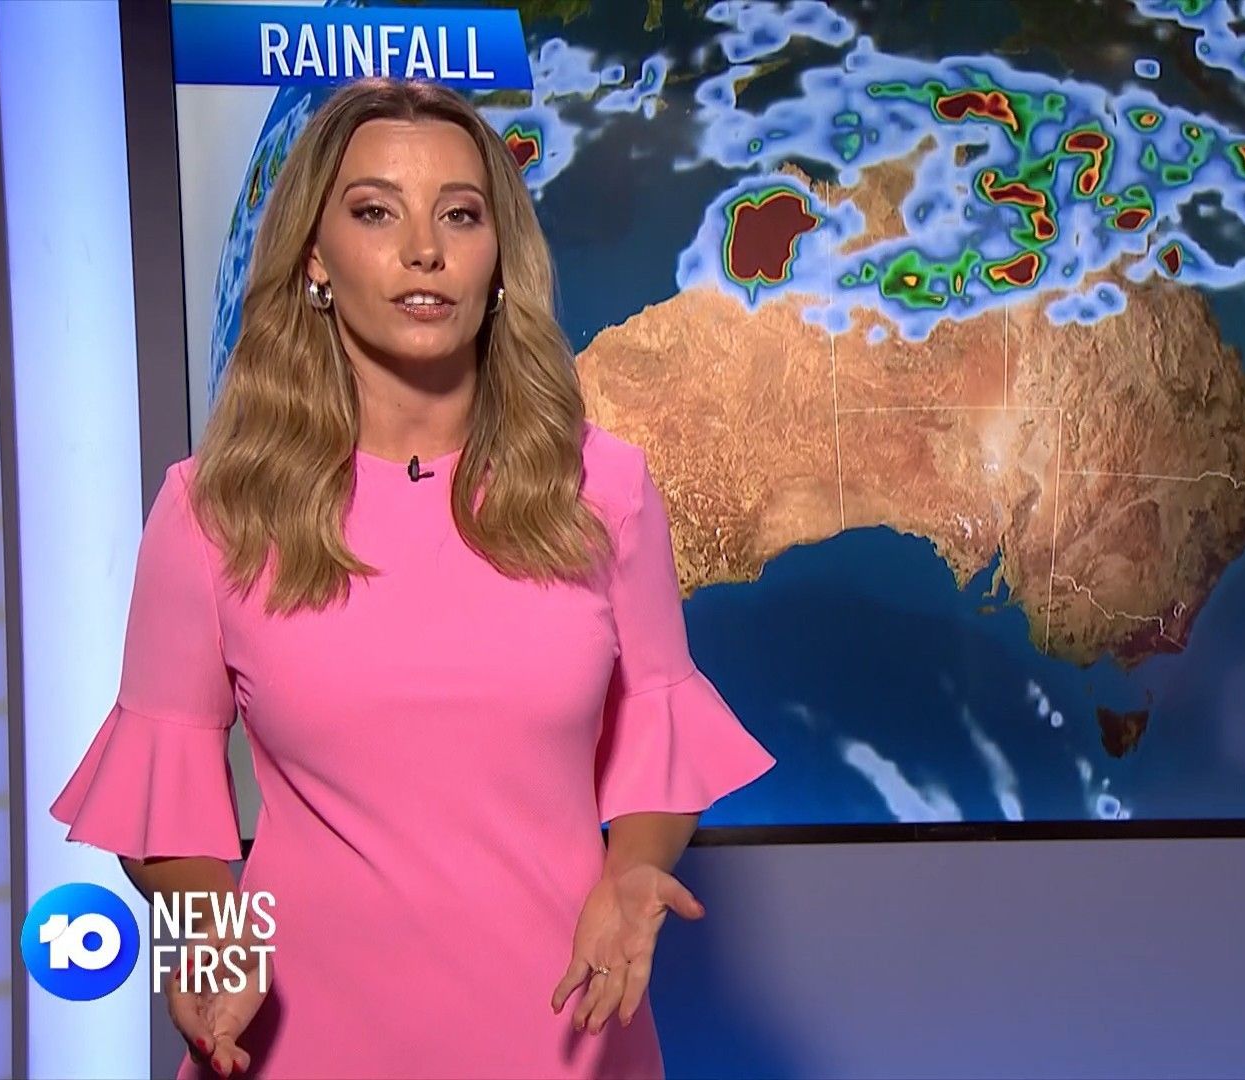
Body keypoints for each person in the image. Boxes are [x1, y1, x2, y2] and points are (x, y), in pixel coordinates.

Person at [48, 77, 776, 1079]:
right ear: (315, 257)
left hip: (565, 1031)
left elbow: (661, 738)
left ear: (498, 259)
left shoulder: (603, 490)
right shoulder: (214, 510)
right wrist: (213, 930)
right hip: (300, 1044)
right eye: (376, 212)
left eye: (461, 215)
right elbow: (159, 799)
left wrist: (631, 871)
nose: (424, 248)